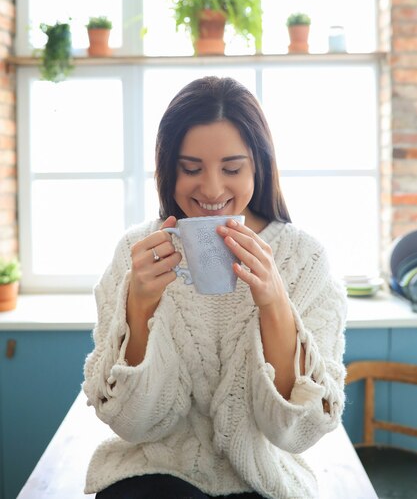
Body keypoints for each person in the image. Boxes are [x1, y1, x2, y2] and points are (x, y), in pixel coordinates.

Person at [83, 76, 347, 499]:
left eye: (231, 168)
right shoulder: (136, 253)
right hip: (155, 474)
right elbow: (133, 424)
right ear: (168, 169)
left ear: (258, 166)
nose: (211, 188)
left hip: (266, 477)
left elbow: (297, 434)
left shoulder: (304, 257)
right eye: (190, 169)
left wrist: (275, 304)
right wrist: (138, 308)